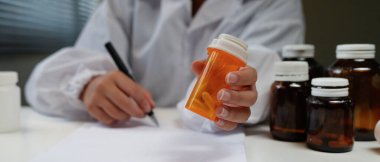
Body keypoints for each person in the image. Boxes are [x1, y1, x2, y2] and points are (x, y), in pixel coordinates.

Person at [26, 0, 304, 132]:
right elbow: (42, 82)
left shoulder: (273, 5)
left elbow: (266, 71)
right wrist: (89, 84)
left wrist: (228, 98)